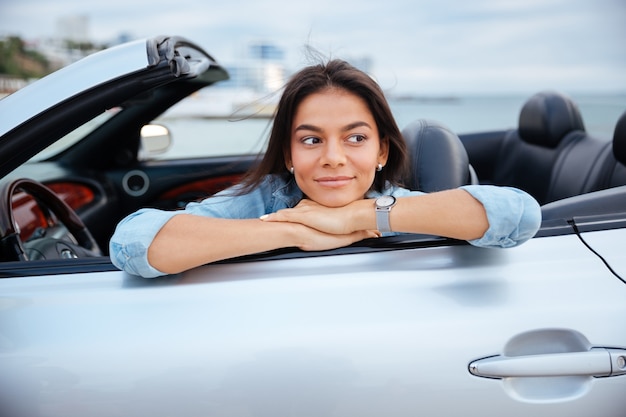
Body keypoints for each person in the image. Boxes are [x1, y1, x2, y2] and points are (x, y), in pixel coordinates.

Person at [109, 59, 541, 278]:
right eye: (311, 140)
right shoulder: (264, 201)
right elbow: (133, 243)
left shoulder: (396, 205)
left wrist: (357, 216)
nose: (333, 157)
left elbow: (518, 215)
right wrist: (295, 231)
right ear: (288, 155)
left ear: (382, 152)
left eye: (355, 138)